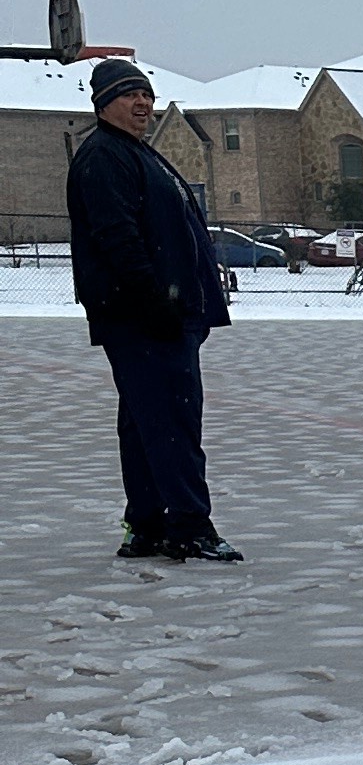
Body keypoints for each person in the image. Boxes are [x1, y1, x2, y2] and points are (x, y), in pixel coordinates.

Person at [65, 59, 240, 563]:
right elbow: (118, 237)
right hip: (143, 317)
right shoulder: (104, 157)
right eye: (128, 95)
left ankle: (146, 524)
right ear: (103, 104)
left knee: (145, 422)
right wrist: (155, 301)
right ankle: (189, 525)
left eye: (146, 94)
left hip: (159, 313)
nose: (143, 103)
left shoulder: (134, 152)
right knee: (171, 420)